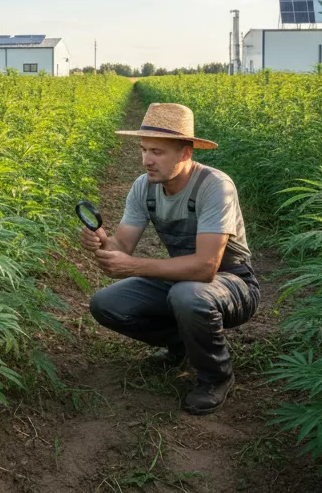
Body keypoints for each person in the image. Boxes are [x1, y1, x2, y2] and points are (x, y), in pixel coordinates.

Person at [81, 102, 260, 415]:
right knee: (106, 304)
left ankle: (215, 376)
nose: (147, 160)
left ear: (186, 153)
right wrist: (103, 243)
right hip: (183, 280)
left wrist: (133, 266)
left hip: (233, 283)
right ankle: (184, 344)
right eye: (144, 150)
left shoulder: (215, 187)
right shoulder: (144, 187)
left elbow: (206, 268)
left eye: (158, 152)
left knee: (187, 295)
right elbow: (122, 246)